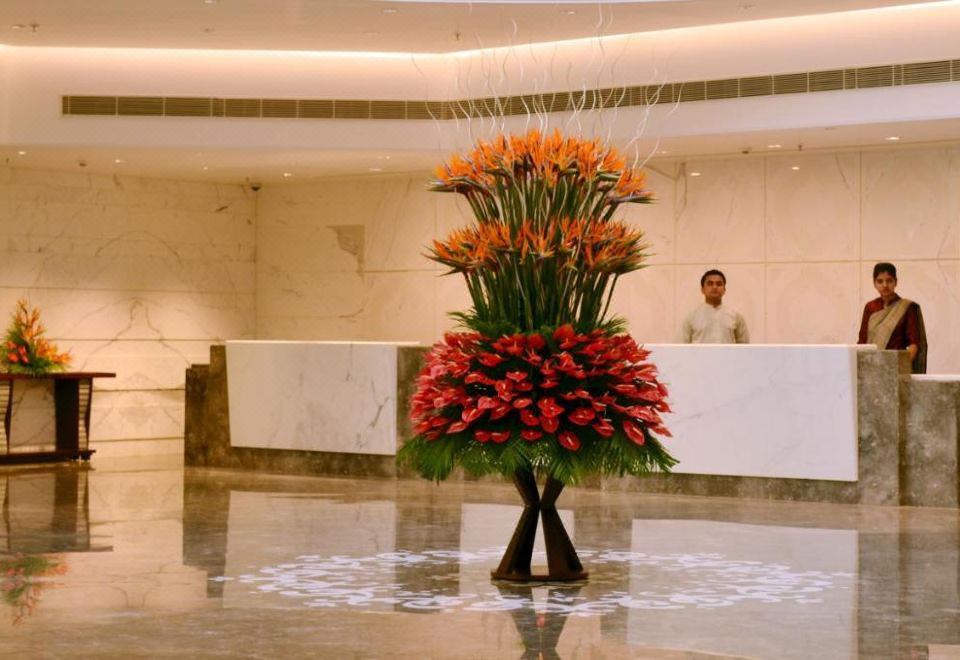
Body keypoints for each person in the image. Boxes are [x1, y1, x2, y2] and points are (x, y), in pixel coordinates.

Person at [857, 262, 927, 374]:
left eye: (889, 280)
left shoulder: (907, 307)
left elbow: (914, 344)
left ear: (896, 282)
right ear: (874, 283)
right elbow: (862, 342)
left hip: (897, 369)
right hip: (872, 369)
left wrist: (898, 367)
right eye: (880, 281)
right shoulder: (870, 307)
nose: (885, 285)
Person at [678, 269, 749, 344]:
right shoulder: (691, 317)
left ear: (724, 290)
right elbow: (681, 345)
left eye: (719, 284)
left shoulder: (736, 316)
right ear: (702, 290)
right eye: (710, 284)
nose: (714, 287)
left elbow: (744, 346)